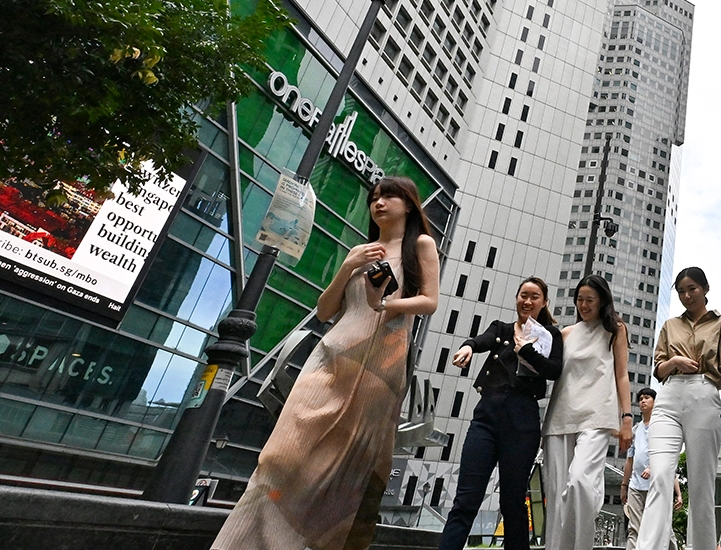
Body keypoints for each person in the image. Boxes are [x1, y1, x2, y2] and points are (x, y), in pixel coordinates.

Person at [212, 176, 440, 550]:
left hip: (379, 370)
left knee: (344, 472)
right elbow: (324, 309)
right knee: (281, 454)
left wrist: (387, 305)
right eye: (374, 198)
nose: (378, 203)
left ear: (409, 203)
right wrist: (347, 266)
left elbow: (429, 300)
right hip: (331, 356)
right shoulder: (362, 251)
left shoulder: (421, 245)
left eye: (388, 196)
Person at [439, 277, 564, 550]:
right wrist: (468, 346)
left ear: (544, 303)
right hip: (487, 417)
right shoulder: (502, 328)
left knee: (512, 501)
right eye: (523, 295)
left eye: (534, 297)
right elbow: (482, 340)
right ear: (517, 297)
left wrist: (526, 350)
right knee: (466, 499)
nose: (527, 301)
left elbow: (554, 370)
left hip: (522, 422)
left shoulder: (550, 335)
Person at [639, 266, 721, 550]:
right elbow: (658, 367)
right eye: (681, 291)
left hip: (705, 393)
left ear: (705, 289)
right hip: (669, 396)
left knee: (701, 486)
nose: (686, 296)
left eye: (692, 289)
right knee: (660, 474)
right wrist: (674, 363)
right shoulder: (670, 325)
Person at [542, 275, 632, 550]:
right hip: (560, 417)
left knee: (581, 482)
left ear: (602, 300)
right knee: (557, 496)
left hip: (596, 416)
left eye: (589, 300)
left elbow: (622, 376)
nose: (583, 305)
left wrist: (627, 417)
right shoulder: (566, 333)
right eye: (579, 300)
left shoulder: (616, 329)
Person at [620, 388, 680, 550]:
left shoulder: (662, 427)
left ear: (655, 402)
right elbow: (629, 460)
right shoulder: (635, 430)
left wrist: (653, 468)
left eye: (647, 398)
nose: (643, 401)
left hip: (657, 485)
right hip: (636, 486)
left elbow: (670, 459)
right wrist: (624, 486)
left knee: (662, 527)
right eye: (640, 399)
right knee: (634, 528)